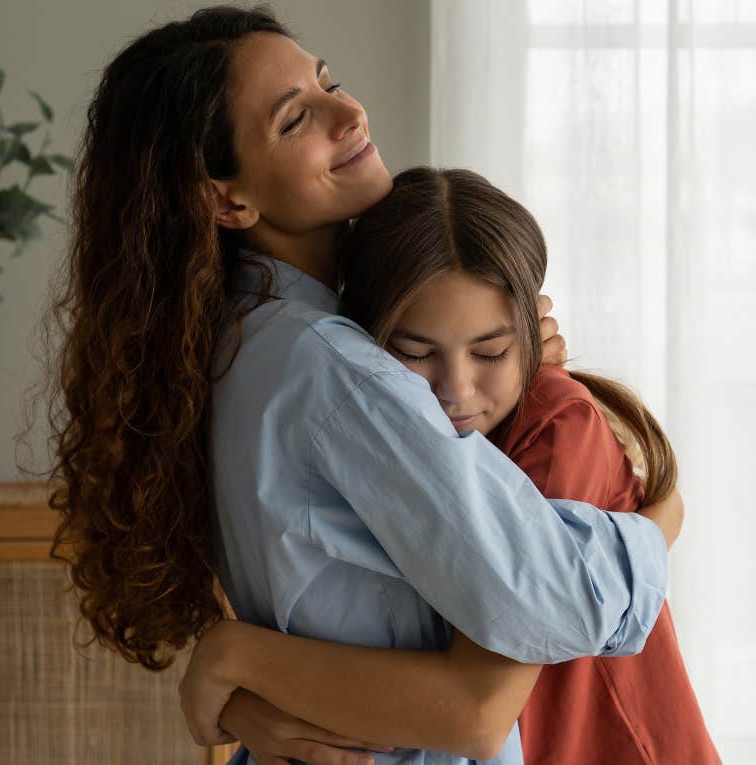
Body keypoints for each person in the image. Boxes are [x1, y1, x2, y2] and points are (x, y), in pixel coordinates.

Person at [41, 7, 681, 764]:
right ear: (227, 199)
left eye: (328, 82)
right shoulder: (335, 370)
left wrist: (234, 670)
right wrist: (662, 520)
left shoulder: (232, 344)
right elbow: (542, 620)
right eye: (295, 119)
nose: (349, 113)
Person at [181, 168, 720, 765]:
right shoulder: (365, 420)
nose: (456, 390)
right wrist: (243, 693)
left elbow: (480, 704)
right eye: (413, 354)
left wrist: (235, 661)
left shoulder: (558, 430)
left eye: (490, 351)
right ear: (368, 346)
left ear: (533, 333)